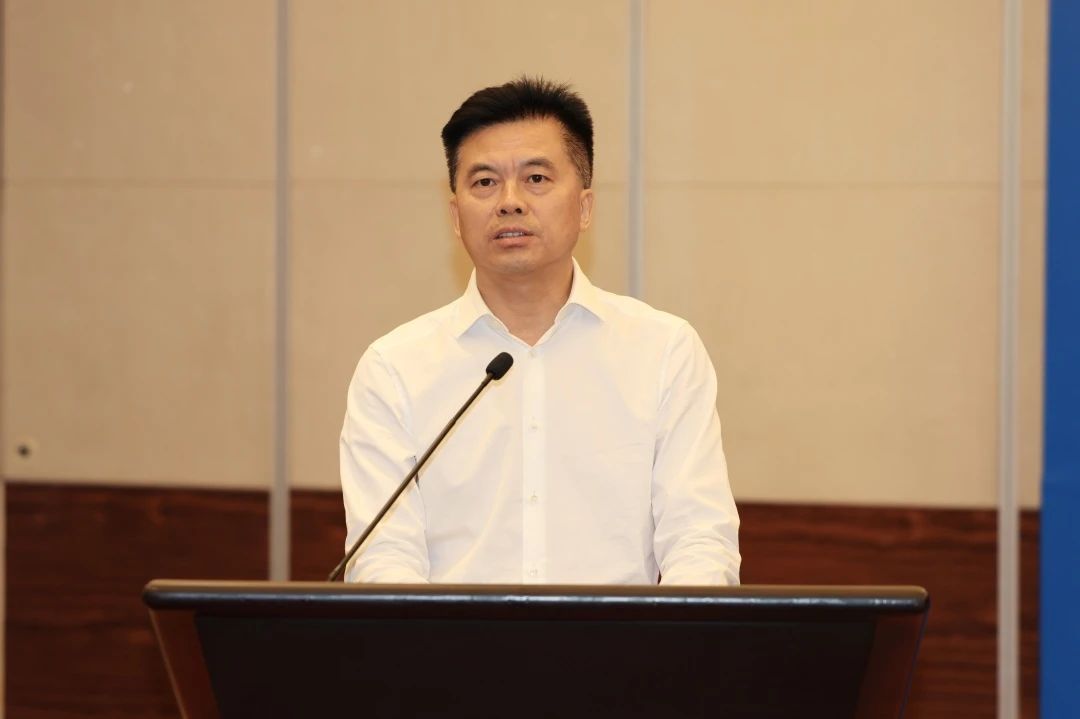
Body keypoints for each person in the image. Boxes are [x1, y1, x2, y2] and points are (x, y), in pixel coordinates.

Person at [340, 77, 740, 585]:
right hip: (450, 639)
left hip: (620, 639)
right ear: (456, 216)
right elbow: (383, 558)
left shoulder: (663, 352)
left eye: (535, 178)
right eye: (484, 182)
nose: (509, 202)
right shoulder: (394, 368)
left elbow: (699, 540)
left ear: (585, 207)